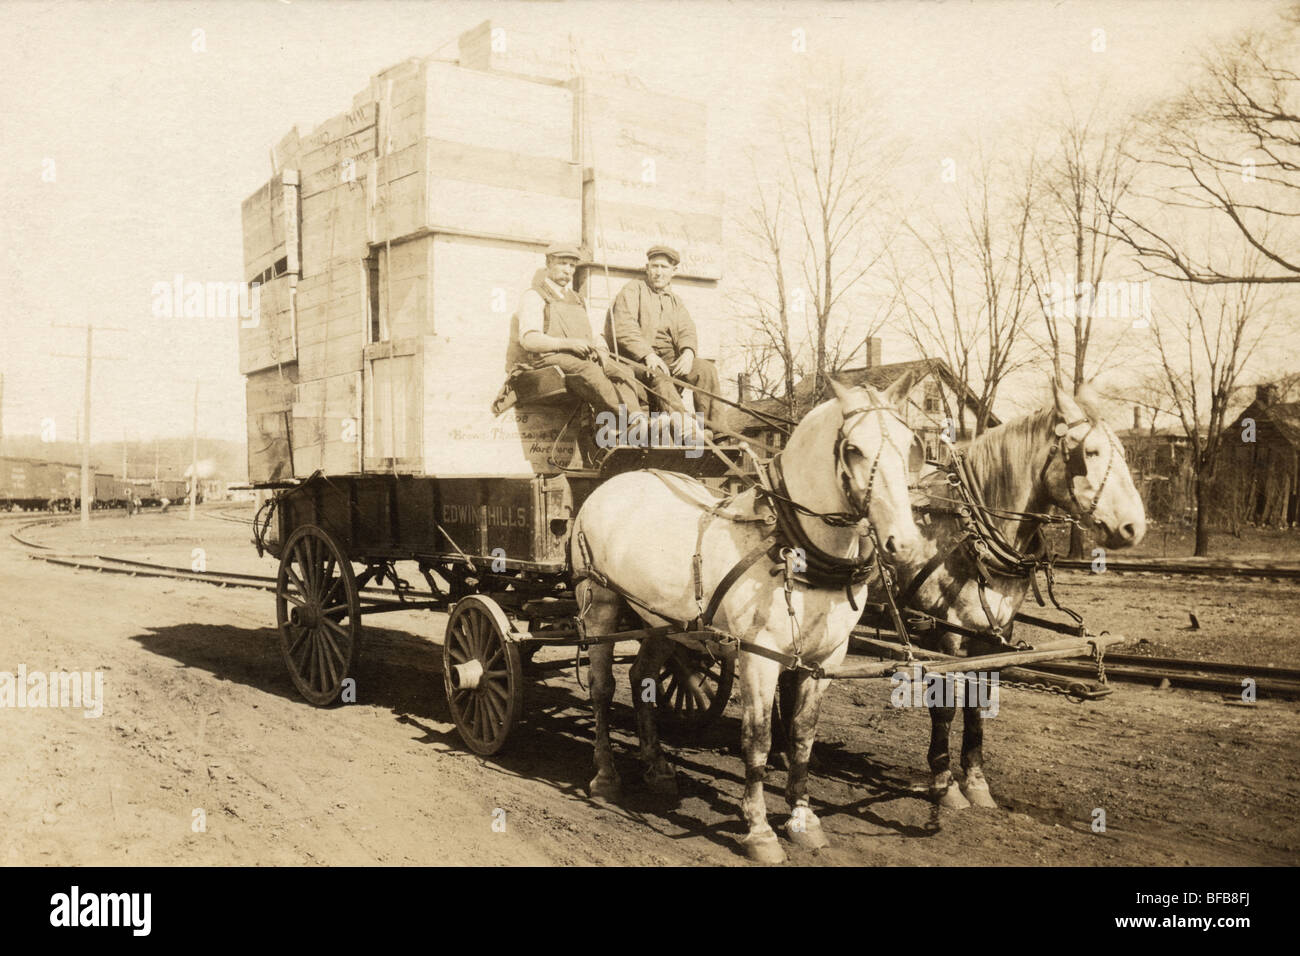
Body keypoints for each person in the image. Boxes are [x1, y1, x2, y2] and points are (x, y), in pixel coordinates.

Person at [517, 242, 644, 421]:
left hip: (580, 359)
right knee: (589, 370)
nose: (568, 270)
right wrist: (568, 344)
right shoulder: (535, 296)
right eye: (562, 263)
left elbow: (596, 335)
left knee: (622, 370)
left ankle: (637, 417)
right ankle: (629, 418)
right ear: (549, 263)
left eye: (572, 265)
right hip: (548, 359)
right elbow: (529, 340)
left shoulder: (579, 300)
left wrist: (601, 348)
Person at [605, 245, 721, 428]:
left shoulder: (674, 300)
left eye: (664, 267)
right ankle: (684, 427)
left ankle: (715, 433)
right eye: (655, 266)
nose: (658, 272)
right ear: (647, 268)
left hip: (668, 360)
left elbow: (686, 329)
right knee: (660, 373)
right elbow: (624, 327)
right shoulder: (633, 290)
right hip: (636, 362)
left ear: (673, 271)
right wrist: (648, 354)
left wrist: (688, 352)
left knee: (705, 370)